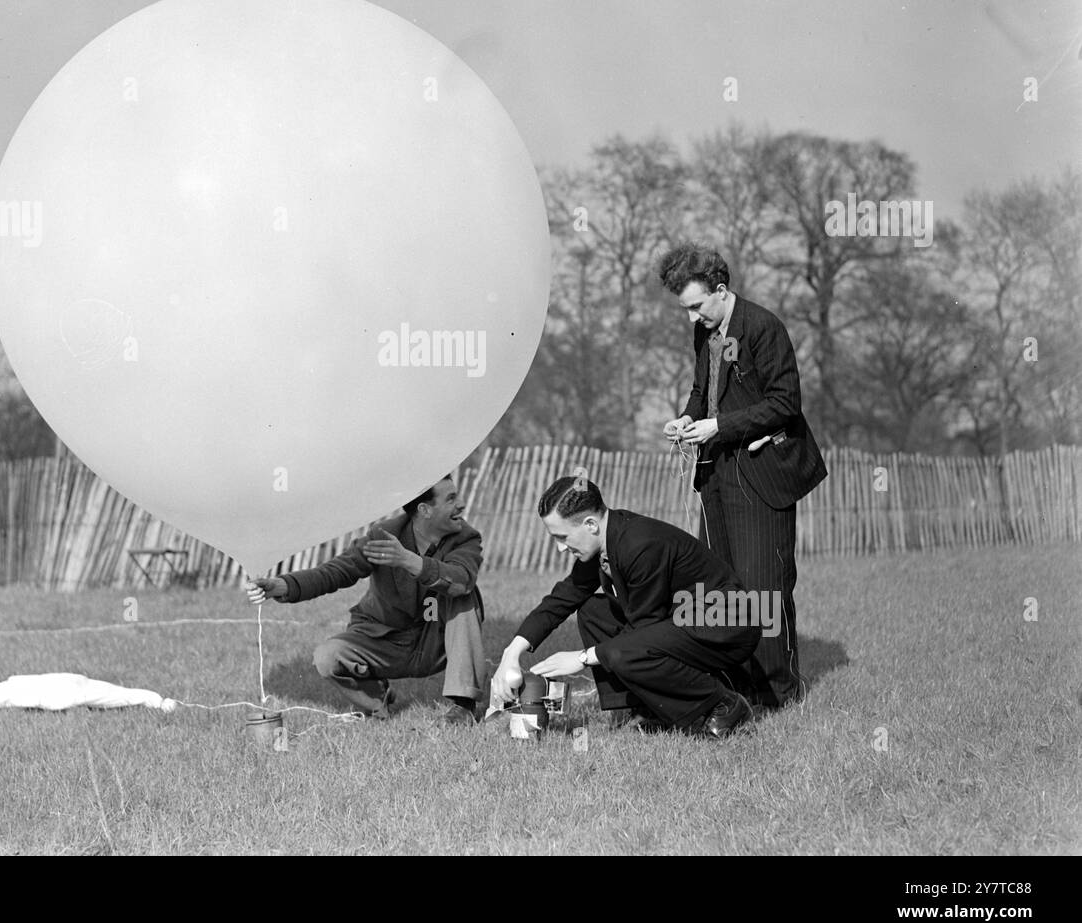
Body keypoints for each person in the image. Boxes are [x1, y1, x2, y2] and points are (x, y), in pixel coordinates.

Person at [658, 243, 827, 710]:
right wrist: (687, 419)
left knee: (764, 589)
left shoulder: (763, 327)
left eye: (696, 306)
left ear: (721, 289)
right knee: (721, 588)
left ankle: (778, 694)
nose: (692, 318)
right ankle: (736, 685)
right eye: (685, 310)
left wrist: (720, 426)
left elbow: (784, 403)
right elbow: (702, 391)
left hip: (761, 473)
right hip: (715, 472)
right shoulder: (705, 331)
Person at [491, 475, 759, 738]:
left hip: (724, 626)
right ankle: (641, 709)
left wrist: (583, 658)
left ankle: (722, 704)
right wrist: (511, 653)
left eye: (562, 537)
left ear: (590, 524)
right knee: (593, 612)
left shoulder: (640, 544)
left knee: (625, 652)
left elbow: (644, 631)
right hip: (681, 620)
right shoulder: (603, 541)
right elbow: (562, 598)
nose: (561, 548)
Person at [246, 475, 485, 724]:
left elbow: (461, 578)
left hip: (437, 643)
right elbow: (337, 571)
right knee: (328, 657)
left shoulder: (466, 538)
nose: (462, 504)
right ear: (424, 510)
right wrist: (283, 585)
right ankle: (376, 702)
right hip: (388, 640)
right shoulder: (384, 535)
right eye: (451, 499)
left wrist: (408, 560)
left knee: (463, 594)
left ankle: (463, 706)